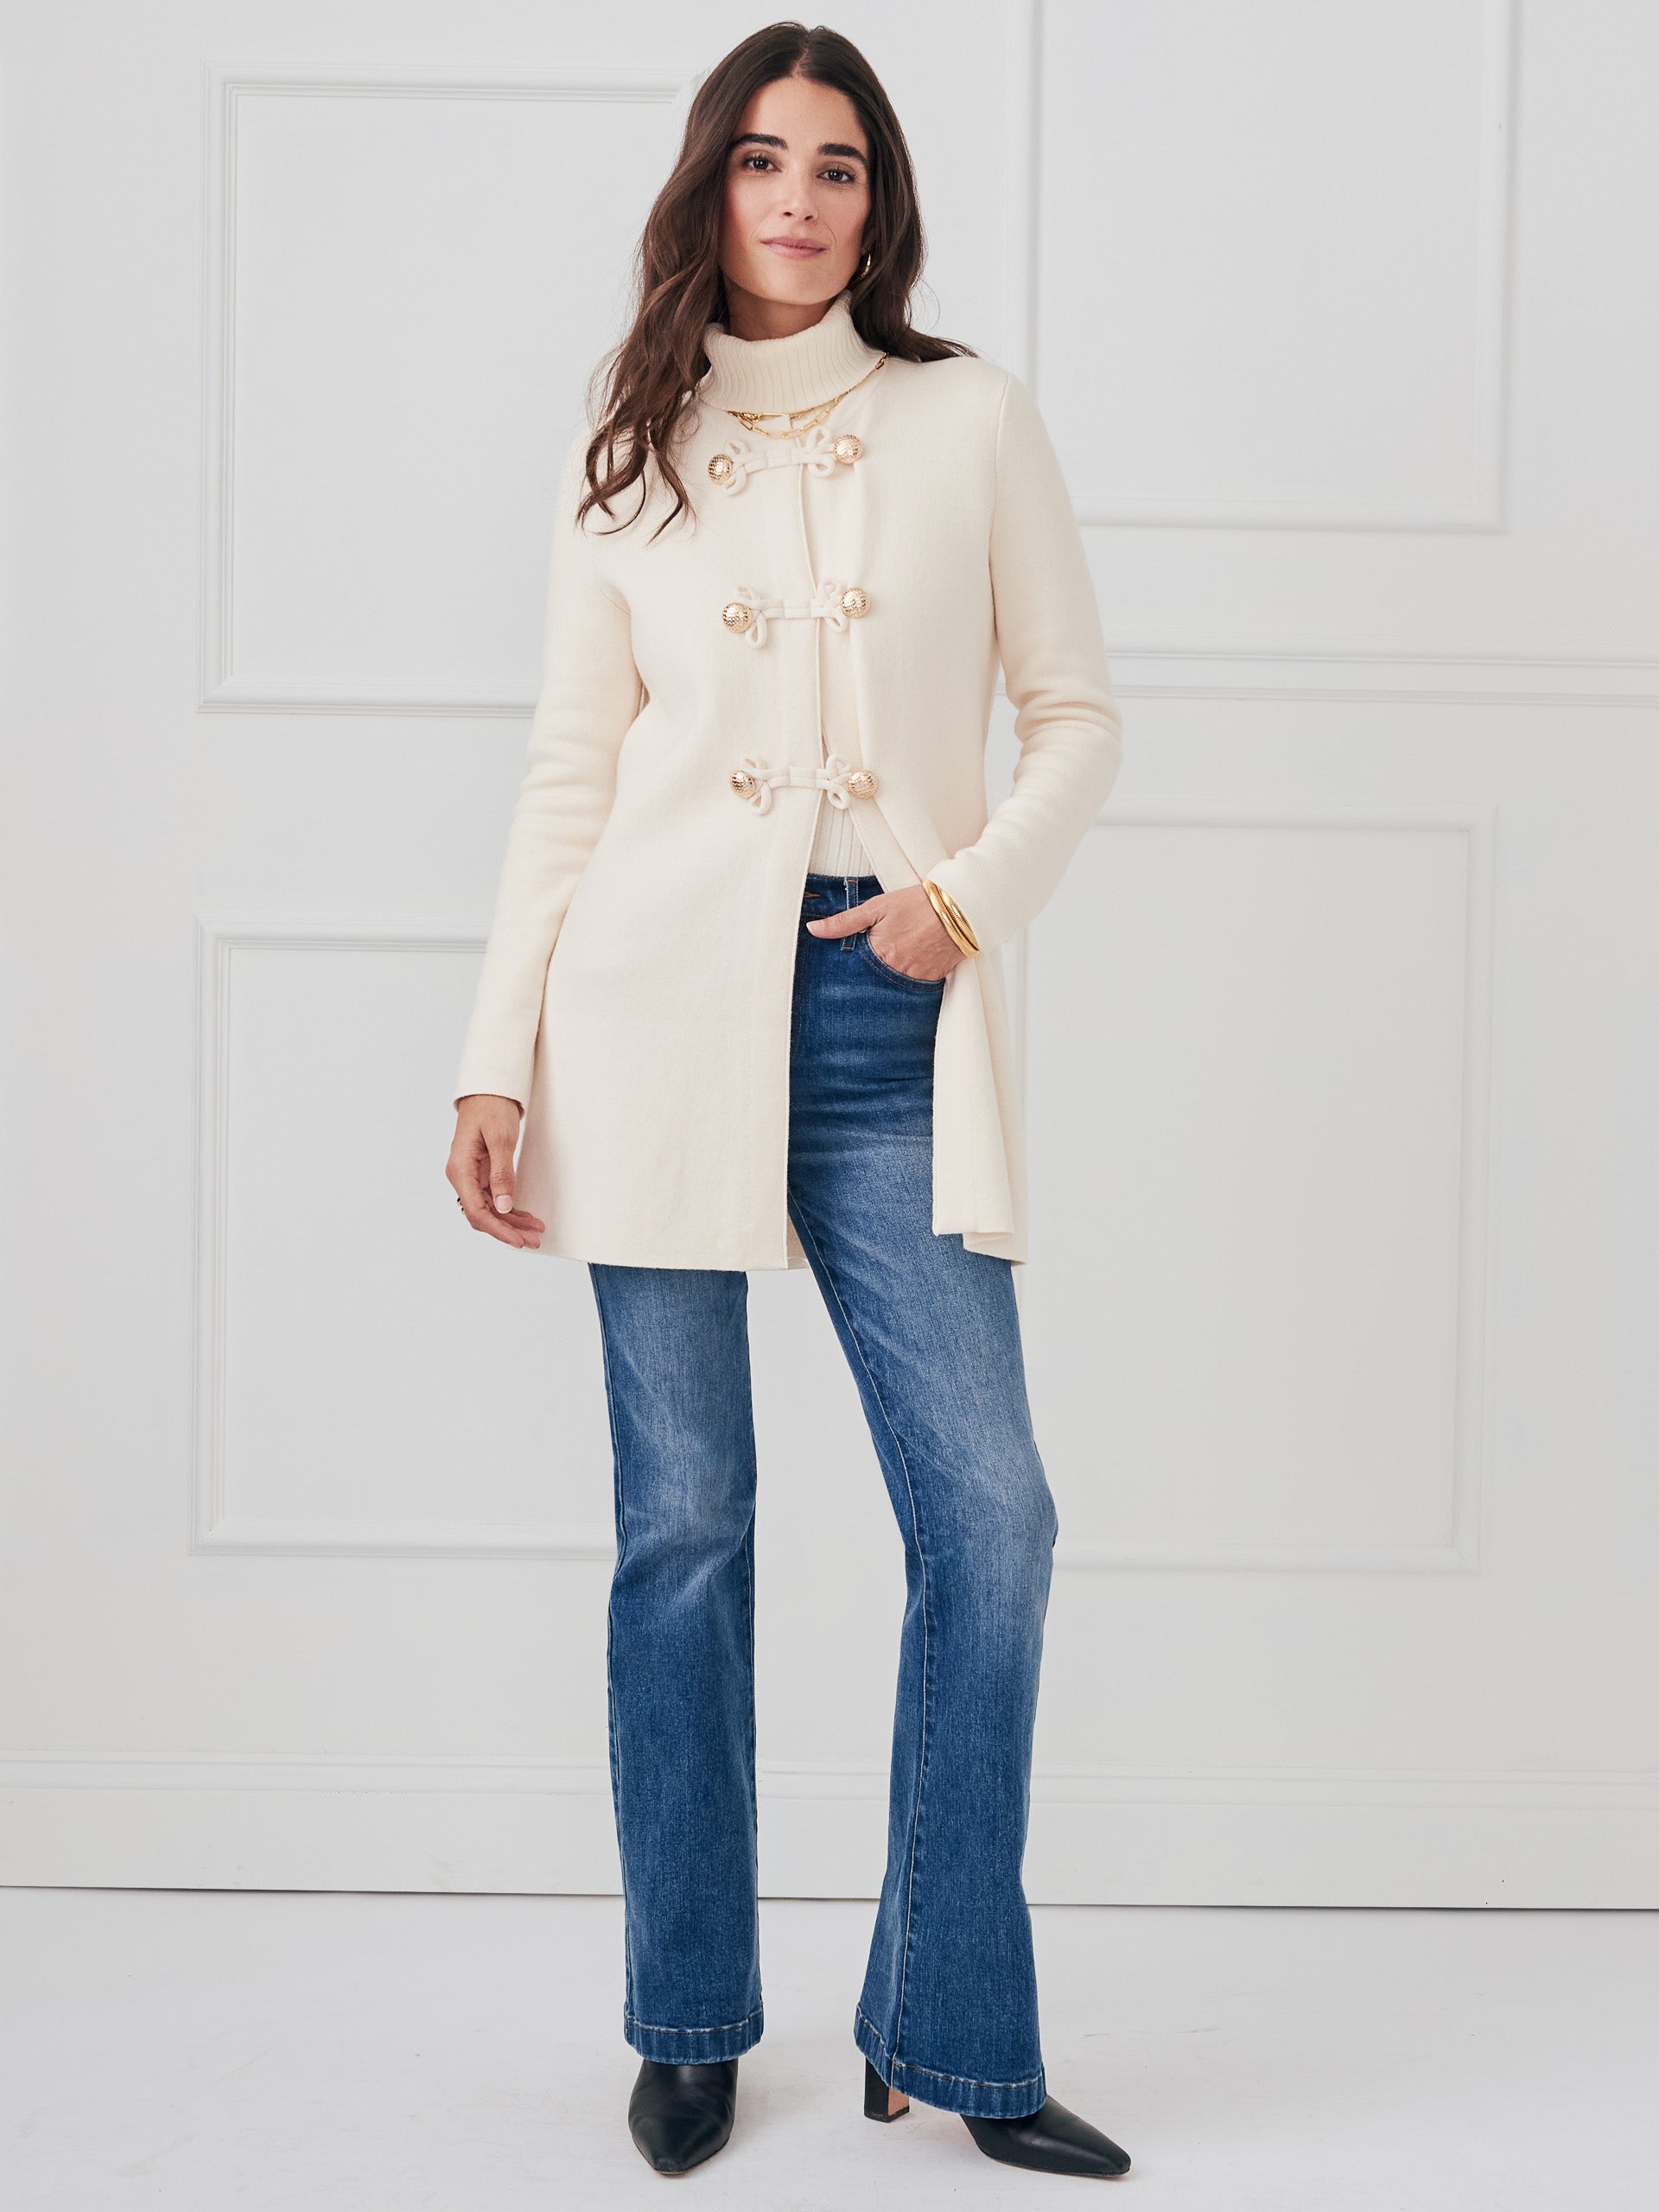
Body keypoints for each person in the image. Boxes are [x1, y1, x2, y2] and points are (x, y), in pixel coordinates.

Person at [446, 19, 1130, 2184]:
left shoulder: (971, 416)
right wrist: (493, 1049)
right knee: (685, 1532)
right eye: (765, 160)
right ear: (711, 185)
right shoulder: (629, 437)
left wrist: (962, 898)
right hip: (649, 1014)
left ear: (878, 201)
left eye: (839, 166)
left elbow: (1077, 717)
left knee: (992, 1519)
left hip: (887, 1014)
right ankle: (686, 2021)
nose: (802, 199)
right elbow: (569, 772)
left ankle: (953, 2021)